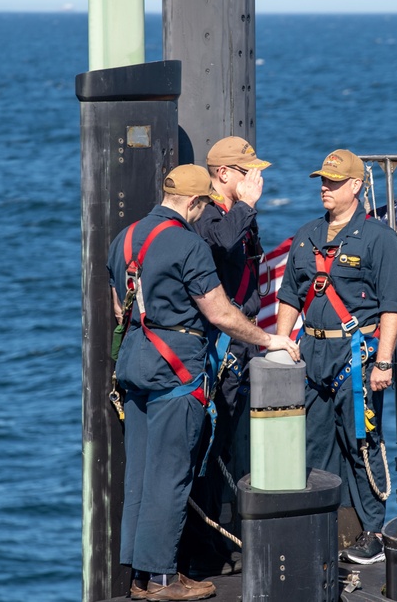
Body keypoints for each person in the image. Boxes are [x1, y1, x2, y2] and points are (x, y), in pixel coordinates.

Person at [108, 164, 300, 602]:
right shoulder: (189, 244)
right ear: (195, 203)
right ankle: (162, 580)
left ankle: (138, 577)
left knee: (139, 473)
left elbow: (120, 307)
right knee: (172, 475)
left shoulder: (125, 238)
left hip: (135, 364)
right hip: (176, 368)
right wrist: (268, 337)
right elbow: (220, 313)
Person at [275, 149, 397, 565]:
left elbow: (391, 307)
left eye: (332, 182)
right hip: (311, 354)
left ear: (356, 187)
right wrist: (280, 344)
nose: (324, 189)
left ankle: (374, 531)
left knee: (360, 442)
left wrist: (383, 362)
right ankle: (327, 524)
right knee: (314, 445)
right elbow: (291, 293)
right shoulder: (308, 234)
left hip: (356, 357)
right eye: (321, 181)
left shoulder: (379, 239)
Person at [181, 136, 270, 575]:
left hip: (240, 344)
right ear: (222, 174)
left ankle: (215, 535)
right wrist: (247, 206)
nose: (255, 179)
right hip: (220, 349)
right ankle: (201, 546)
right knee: (210, 450)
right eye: (246, 171)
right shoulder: (212, 217)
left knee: (227, 448)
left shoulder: (235, 214)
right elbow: (222, 241)